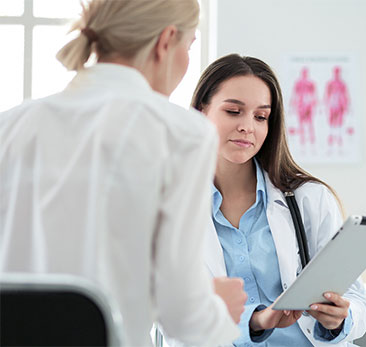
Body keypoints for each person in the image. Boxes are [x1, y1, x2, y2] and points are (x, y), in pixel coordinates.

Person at [0, 1, 246, 346]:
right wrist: (218, 310)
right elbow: (182, 315)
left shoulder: (10, 126)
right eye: (189, 48)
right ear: (166, 41)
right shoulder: (180, 133)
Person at [191, 54, 366, 346]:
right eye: (234, 111)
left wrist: (340, 319)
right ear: (200, 112)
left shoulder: (308, 199)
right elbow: (173, 317)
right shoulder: (172, 208)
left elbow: (357, 301)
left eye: (261, 117)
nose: (247, 126)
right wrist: (255, 321)